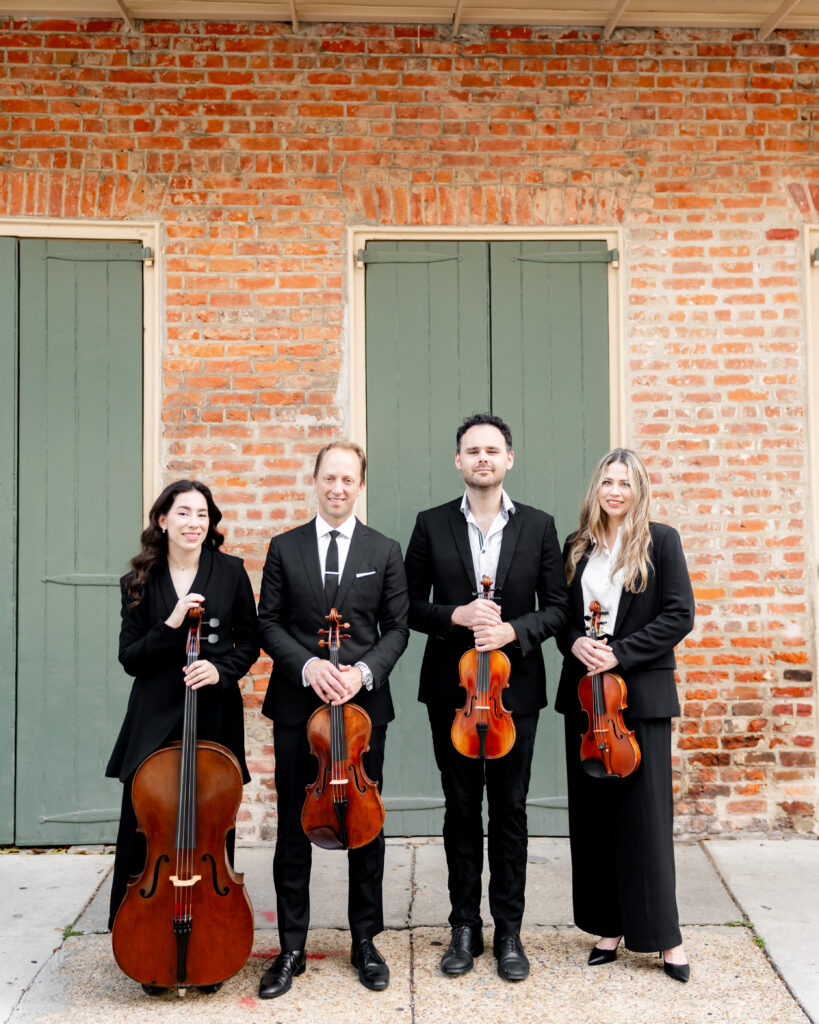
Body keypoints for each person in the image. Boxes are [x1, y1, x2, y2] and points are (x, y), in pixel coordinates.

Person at [404, 413, 569, 982]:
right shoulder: (430, 524)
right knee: (459, 808)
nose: (482, 459)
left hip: (512, 691)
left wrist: (512, 631)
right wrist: (455, 615)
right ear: (458, 460)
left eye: (492, 450)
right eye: (472, 450)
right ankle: (463, 926)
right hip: (450, 693)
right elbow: (406, 605)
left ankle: (510, 931)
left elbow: (559, 608)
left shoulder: (540, 526)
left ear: (508, 460)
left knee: (510, 809)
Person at [257, 441, 409, 998]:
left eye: (348, 479)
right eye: (329, 478)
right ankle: (291, 947)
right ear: (316, 480)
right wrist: (309, 666)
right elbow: (268, 622)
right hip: (298, 708)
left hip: (363, 712)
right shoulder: (284, 547)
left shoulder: (384, 549)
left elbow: (397, 628)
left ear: (360, 485)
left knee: (365, 825)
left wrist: (362, 673)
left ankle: (365, 940)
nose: (338, 488)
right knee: (294, 825)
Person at [555, 448, 695, 983]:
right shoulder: (578, 546)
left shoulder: (662, 541)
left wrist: (620, 653)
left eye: (625, 483)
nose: (615, 492)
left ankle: (665, 937)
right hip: (587, 698)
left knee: (646, 820)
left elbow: (679, 614)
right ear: (597, 488)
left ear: (639, 491)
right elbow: (563, 618)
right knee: (594, 819)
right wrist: (575, 643)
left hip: (641, 696)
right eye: (608, 482)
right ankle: (607, 927)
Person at [107, 479, 258, 934]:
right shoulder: (138, 582)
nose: (194, 523)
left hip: (213, 713)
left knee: (211, 820)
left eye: (202, 514)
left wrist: (220, 670)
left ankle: (211, 925)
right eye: (183, 513)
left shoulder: (230, 572)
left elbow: (249, 642)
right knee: (144, 822)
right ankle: (137, 929)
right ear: (162, 520)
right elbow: (130, 658)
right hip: (154, 715)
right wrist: (170, 624)